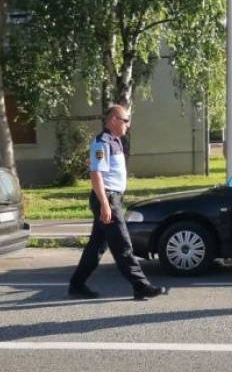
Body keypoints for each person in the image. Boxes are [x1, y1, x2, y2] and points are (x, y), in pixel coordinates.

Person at [68, 105, 169, 301]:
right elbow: (96, 174)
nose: (128, 125)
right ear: (113, 120)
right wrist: (105, 204)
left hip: (113, 198)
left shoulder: (115, 141)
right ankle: (141, 286)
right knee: (123, 245)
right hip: (106, 198)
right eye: (125, 120)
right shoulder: (102, 143)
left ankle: (77, 285)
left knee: (96, 246)